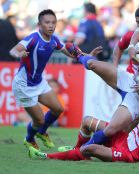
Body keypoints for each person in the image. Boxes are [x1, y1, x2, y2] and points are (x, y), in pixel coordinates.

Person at [62, 29, 139, 148]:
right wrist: (131, 46)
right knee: (92, 64)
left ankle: (81, 150)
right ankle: (80, 56)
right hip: (130, 79)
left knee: (111, 130)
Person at [10, 9, 101, 151]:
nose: (51, 25)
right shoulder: (33, 38)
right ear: (40, 24)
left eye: (53, 22)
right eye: (47, 22)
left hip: (38, 82)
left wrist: (88, 55)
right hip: (23, 85)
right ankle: (29, 139)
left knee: (58, 109)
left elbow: (70, 52)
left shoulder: (54, 40)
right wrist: (19, 53)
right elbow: (13, 50)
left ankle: (41, 131)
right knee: (39, 120)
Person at [28, 83, 139, 162]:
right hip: (123, 138)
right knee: (87, 122)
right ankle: (77, 151)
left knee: (89, 148)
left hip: (129, 154)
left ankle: (47, 156)